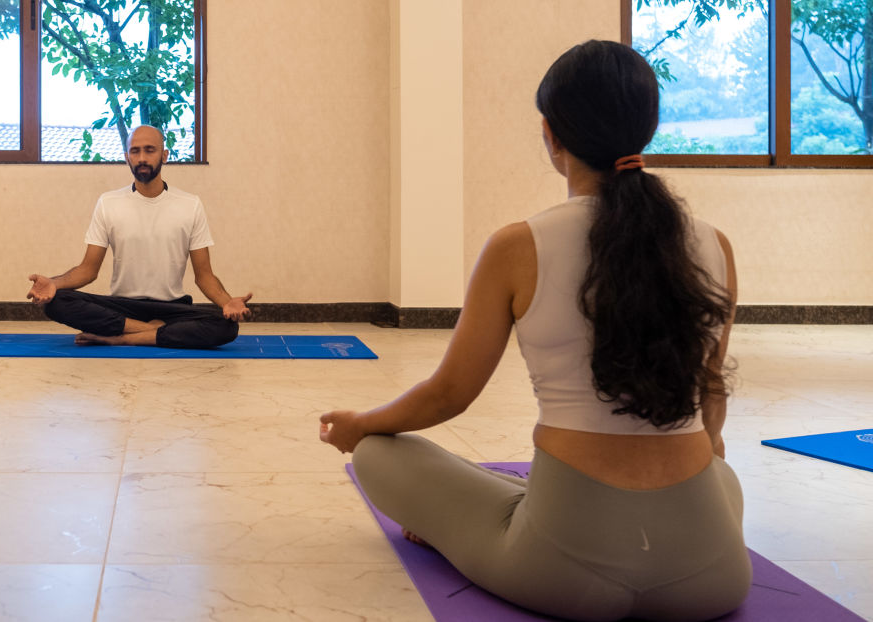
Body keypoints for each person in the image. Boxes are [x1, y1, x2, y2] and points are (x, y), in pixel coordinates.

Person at [317, 40, 747, 622]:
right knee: (719, 470)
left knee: (377, 454)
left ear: (552, 135)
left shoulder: (519, 246)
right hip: (713, 574)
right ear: (645, 128)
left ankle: (477, 522)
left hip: (565, 573)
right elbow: (711, 400)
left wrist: (359, 425)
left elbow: (450, 394)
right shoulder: (714, 244)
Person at [26, 125, 251, 349]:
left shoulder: (190, 205)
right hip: (122, 306)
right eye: (135, 151)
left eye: (150, 150)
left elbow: (204, 276)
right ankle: (153, 332)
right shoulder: (108, 202)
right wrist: (53, 283)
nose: (142, 157)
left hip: (172, 308)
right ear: (127, 157)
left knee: (227, 326)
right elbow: (88, 269)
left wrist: (228, 302)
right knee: (56, 303)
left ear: (164, 155)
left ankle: (121, 337)